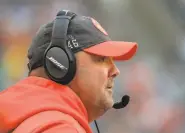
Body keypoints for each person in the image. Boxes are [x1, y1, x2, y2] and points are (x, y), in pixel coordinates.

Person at [0, 10, 138, 133]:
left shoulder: (28, 120)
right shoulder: (60, 128)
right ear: (60, 63)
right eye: (101, 59)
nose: (115, 71)